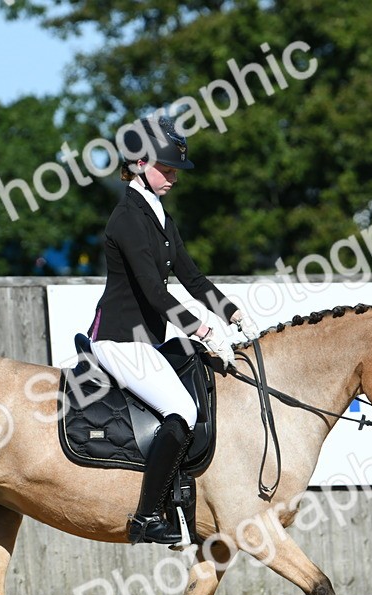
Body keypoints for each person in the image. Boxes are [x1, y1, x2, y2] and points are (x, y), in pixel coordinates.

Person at [86, 114, 261, 545]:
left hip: (148, 340)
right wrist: (203, 330)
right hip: (119, 339)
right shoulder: (127, 218)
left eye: (175, 170)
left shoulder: (159, 215)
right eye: (166, 169)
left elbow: (192, 277)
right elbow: (154, 292)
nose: (174, 178)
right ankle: (146, 517)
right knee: (181, 411)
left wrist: (233, 314)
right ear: (139, 163)